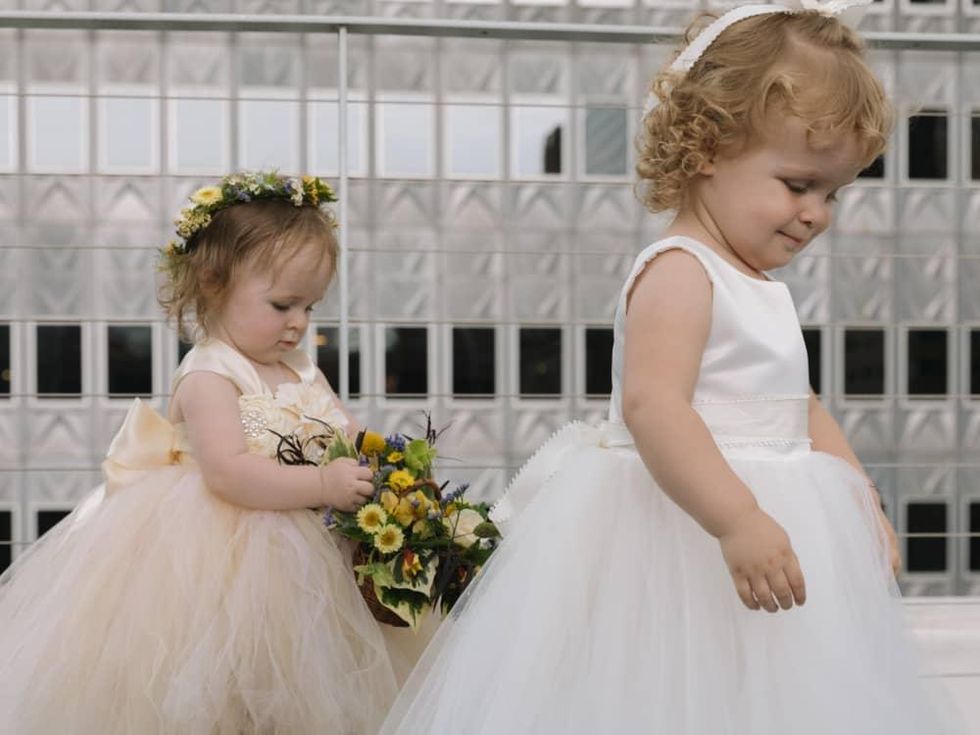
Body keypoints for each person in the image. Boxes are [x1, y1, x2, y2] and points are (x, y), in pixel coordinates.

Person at [380, 4, 956, 733]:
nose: (817, 213)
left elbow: (799, 405)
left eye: (833, 192)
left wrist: (861, 500)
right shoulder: (682, 272)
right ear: (707, 147)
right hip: (681, 534)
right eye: (798, 183)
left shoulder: (761, 288)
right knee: (668, 694)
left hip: (768, 532)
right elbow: (655, 407)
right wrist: (737, 517)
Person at [0, 171, 401, 733]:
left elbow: (348, 431)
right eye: (284, 304)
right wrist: (323, 486)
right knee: (228, 685)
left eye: (310, 307)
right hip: (227, 555)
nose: (300, 323)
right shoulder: (211, 373)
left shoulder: (302, 367)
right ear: (214, 284)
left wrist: (388, 470)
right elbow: (229, 474)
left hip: (313, 555)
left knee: (312, 682)